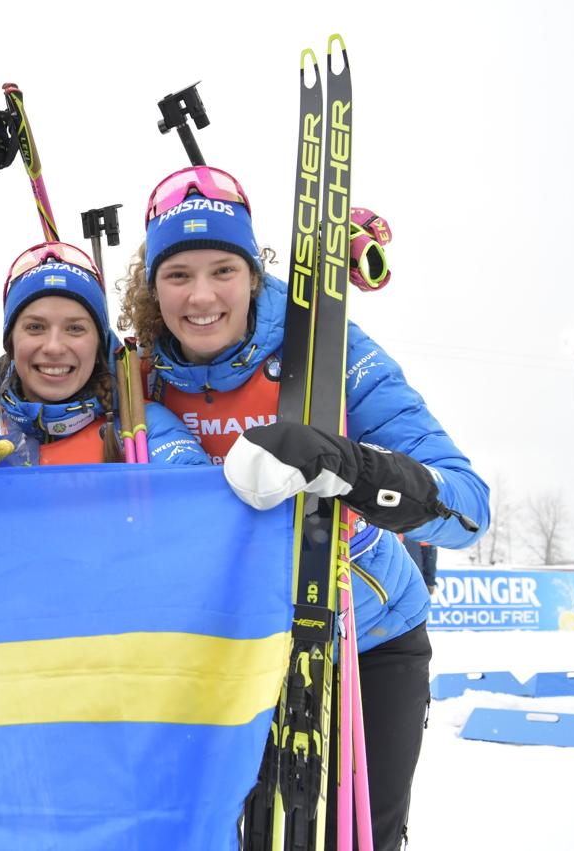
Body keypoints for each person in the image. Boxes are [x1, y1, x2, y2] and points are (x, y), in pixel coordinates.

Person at [119, 165, 491, 851]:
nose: (201, 297)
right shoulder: (137, 383)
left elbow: (467, 509)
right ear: (152, 289)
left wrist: (348, 466)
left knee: (357, 841)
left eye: (222, 270)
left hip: (366, 639)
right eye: (177, 275)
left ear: (252, 275)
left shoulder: (328, 349)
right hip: (234, 655)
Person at [0, 241, 204, 465]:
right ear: (10, 340)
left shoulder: (145, 426)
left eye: (75, 328)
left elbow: (198, 490)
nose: (54, 347)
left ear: (99, 346)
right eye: (35, 327)